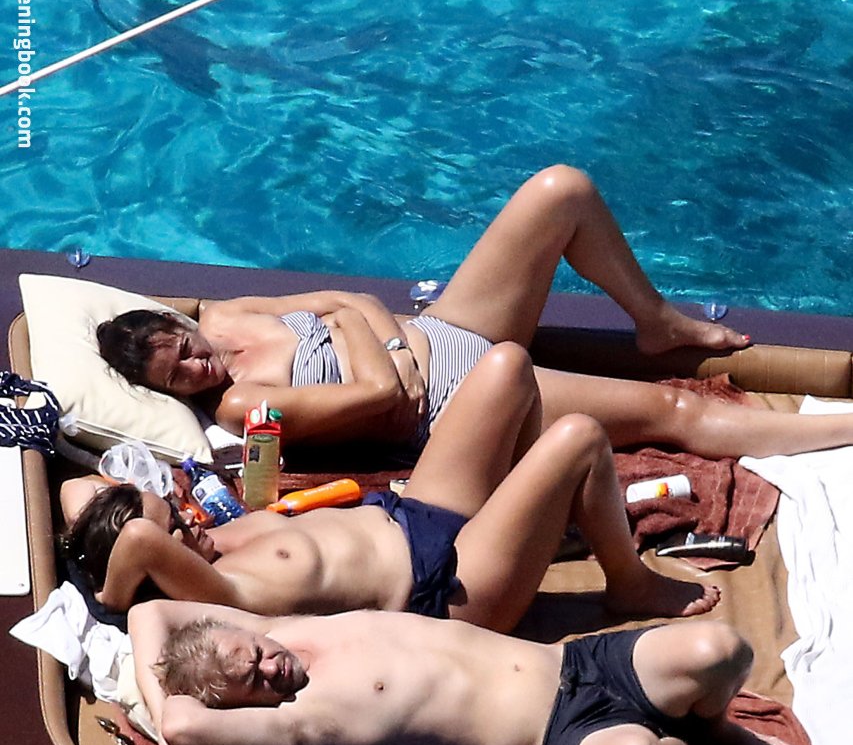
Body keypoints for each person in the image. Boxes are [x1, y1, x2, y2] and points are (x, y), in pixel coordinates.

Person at [98, 161, 853, 464]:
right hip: (460, 401)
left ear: (180, 326)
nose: (197, 369)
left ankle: (655, 319)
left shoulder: (228, 314)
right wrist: (363, 337)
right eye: (177, 380)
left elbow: (349, 300)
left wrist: (381, 342)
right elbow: (378, 398)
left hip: (443, 331)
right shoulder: (242, 407)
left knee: (560, 191)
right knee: (671, 412)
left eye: (183, 349)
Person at [63, 347, 720, 626]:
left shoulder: (212, 538)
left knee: (507, 366)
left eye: (179, 510)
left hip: (415, 512)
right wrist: (110, 592)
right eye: (177, 527)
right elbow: (138, 542)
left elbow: (86, 496)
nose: (189, 518)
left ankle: (535, 518)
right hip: (449, 588)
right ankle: (629, 584)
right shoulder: (217, 592)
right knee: (577, 436)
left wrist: (133, 508)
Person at [130, 601, 814, 745]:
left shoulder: (284, 630)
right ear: (242, 708)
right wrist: (163, 718)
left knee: (720, 648)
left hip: (576, 664)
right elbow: (182, 725)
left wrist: (235, 649)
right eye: (253, 681)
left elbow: (148, 612)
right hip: (552, 744)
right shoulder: (297, 723)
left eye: (254, 651)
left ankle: (712, 724)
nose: (269, 665)